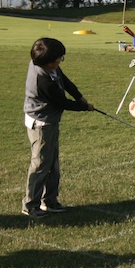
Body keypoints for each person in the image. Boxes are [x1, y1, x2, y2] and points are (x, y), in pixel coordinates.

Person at [22, 37, 94, 218]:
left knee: (52, 163)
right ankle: (30, 206)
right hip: (41, 124)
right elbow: (61, 102)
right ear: (48, 61)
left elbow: (65, 81)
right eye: (59, 59)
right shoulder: (41, 79)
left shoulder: (50, 66)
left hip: (50, 122)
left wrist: (80, 97)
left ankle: (50, 202)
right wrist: (84, 107)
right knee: (40, 165)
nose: (60, 61)